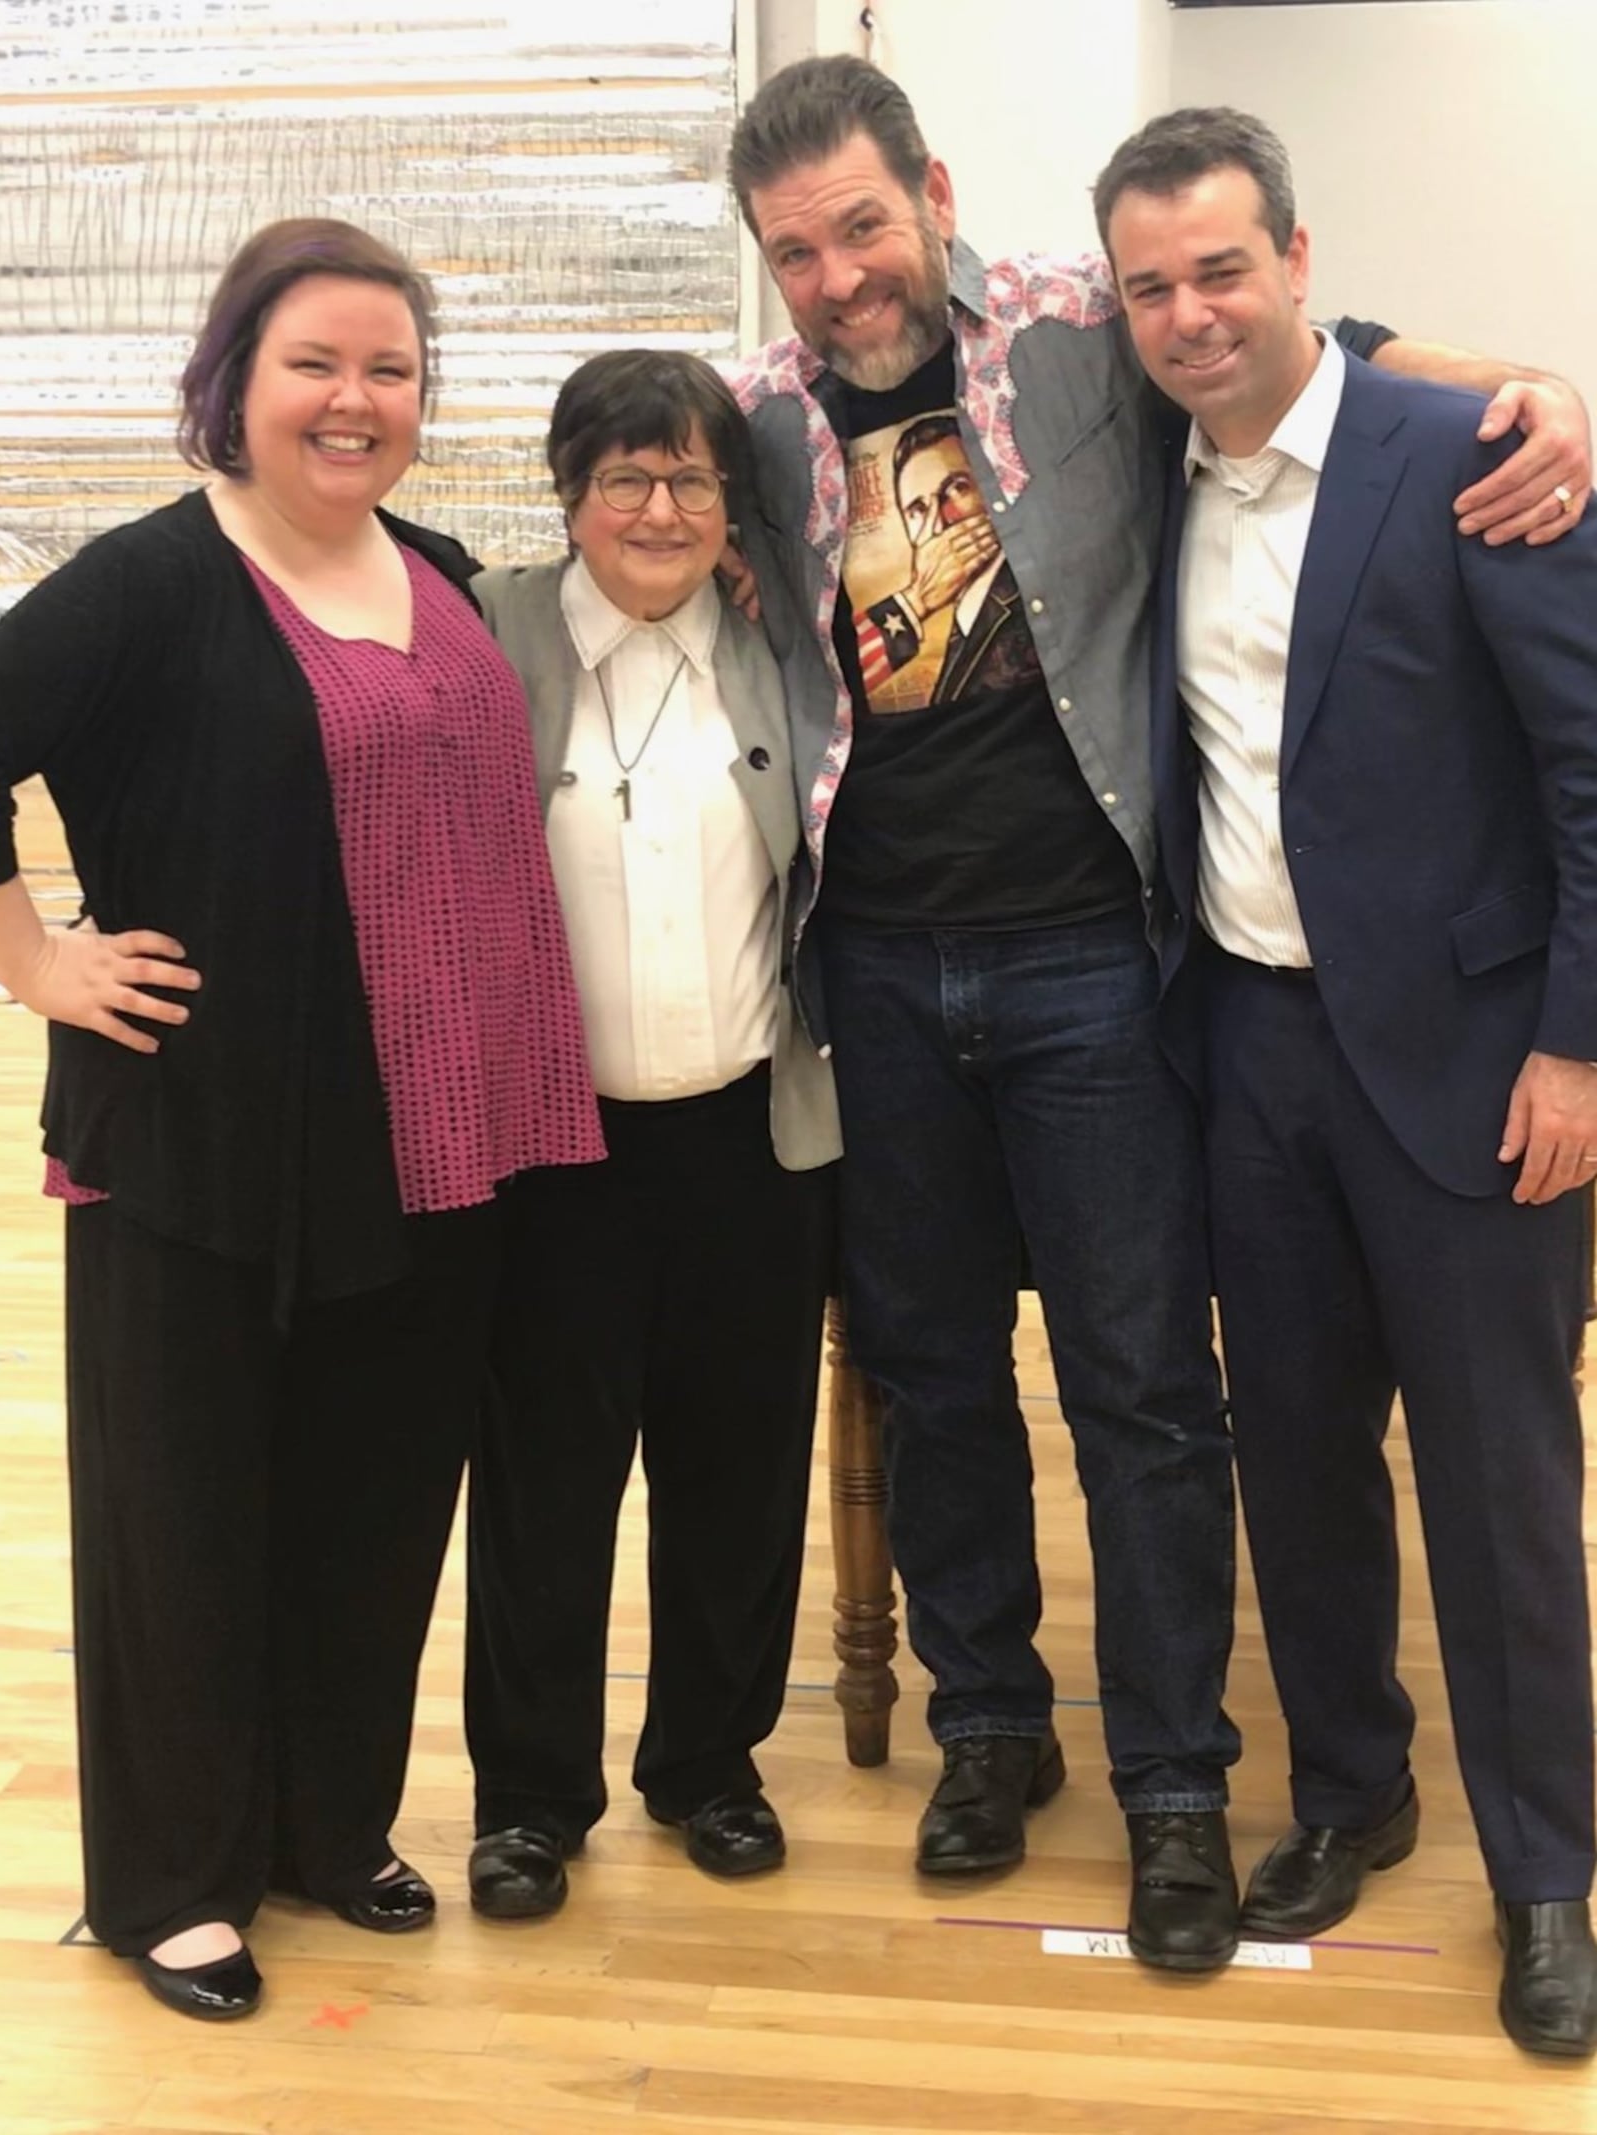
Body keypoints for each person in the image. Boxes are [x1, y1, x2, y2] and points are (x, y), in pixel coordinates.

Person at [723, 52, 1593, 1975]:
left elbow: (1305, 335)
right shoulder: (748, 421)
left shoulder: (1079, 326)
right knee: (945, 1372)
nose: (844, 275)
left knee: (1144, 1386)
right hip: (886, 962)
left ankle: (1186, 1786)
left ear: (934, 196)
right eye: (797, 251)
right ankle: (992, 1731)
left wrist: (1547, 382)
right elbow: (611, 503)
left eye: (866, 224)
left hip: (1095, 960)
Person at [0, 219, 602, 2020]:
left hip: (437, 1133)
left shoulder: (434, 568)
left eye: (391, 370)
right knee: (186, 1517)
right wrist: (36, 960)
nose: (356, 401)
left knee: (375, 1499)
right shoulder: (152, 582)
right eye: (315, 365)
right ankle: (173, 1885)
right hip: (204, 1135)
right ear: (235, 385)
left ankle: (328, 1825)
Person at [1096, 106, 1597, 2056]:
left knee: (1496, 1484)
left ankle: (1545, 1875)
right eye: (1150, 286)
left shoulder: (1457, 453)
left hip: (1475, 1068)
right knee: (1290, 1458)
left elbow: (1585, 771)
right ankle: (1347, 1793)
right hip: (1243, 1047)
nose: (1187, 314)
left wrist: (1573, 1043)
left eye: (1220, 270)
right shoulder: (1135, 466)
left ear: (1298, 261)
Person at [462, 350, 840, 1920]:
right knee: (548, 1476)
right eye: (625, 476)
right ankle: (530, 1800)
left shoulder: (779, 643)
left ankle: (710, 1764)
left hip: (754, 1138)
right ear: (568, 495)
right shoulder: (490, 634)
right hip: (555, 1147)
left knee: (739, 1471)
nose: (662, 508)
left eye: (693, 478)